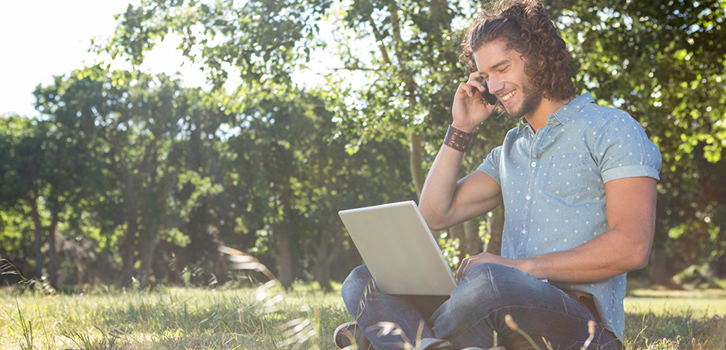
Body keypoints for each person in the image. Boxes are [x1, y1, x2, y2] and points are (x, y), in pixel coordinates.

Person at [335, 0, 661, 349]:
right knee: (366, 279)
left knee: (491, 282)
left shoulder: (611, 128)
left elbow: (632, 245)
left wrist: (518, 268)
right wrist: (461, 128)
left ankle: (390, 336)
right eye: (485, 75)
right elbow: (434, 213)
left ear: (538, 56)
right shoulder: (509, 151)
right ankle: (423, 343)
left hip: (582, 329)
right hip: (497, 314)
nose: (492, 86)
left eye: (501, 68)